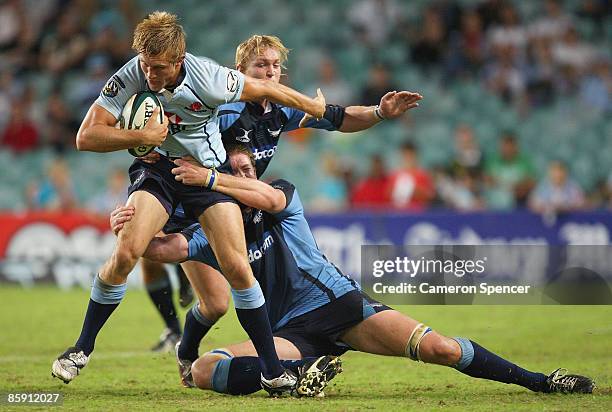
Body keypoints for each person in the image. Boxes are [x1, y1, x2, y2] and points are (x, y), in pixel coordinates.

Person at [111, 145, 595, 397]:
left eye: (247, 167)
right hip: (289, 335)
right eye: (233, 168)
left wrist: (214, 179)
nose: (245, 173)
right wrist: (128, 225)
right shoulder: (214, 233)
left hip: (341, 308)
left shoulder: (279, 195)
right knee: (202, 370)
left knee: (440, 348)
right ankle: (299, 374)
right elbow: (165, 247)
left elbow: (268, 197)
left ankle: (540, 381)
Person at [51, 11, 330, 396]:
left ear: (179, 62)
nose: (149, 76)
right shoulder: (131, 74)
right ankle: (81, 348)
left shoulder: (211, 78)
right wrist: (140, 135)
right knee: (128, 249)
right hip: (159, 172)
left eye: (159, 69)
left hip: (203, 174)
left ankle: (271, 370)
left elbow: (267, 90)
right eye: (146, 66)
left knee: (236, 267)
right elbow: (86, 136)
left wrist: (312, 107)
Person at [137, 34, 422, 372]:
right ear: (240, 70)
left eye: (275, 65)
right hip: (195, 210)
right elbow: (176, 133)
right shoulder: (225, 111)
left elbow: (339, 117)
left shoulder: (281, 109)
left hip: (231, 207)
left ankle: (212, 354)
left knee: (220, 300)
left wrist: (378, 112)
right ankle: (190, 353)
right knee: (212, 300)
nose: (270, 71)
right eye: (261, 65)